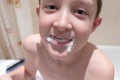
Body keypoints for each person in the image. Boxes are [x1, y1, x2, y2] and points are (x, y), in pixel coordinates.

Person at [0, 0, 114, 80]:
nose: (62, 24)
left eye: (80, 12)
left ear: (94, 25)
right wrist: (10, 76)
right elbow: (29, 72)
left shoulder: (100, 71)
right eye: (51, 7)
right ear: (39, 14)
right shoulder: (32, 47)